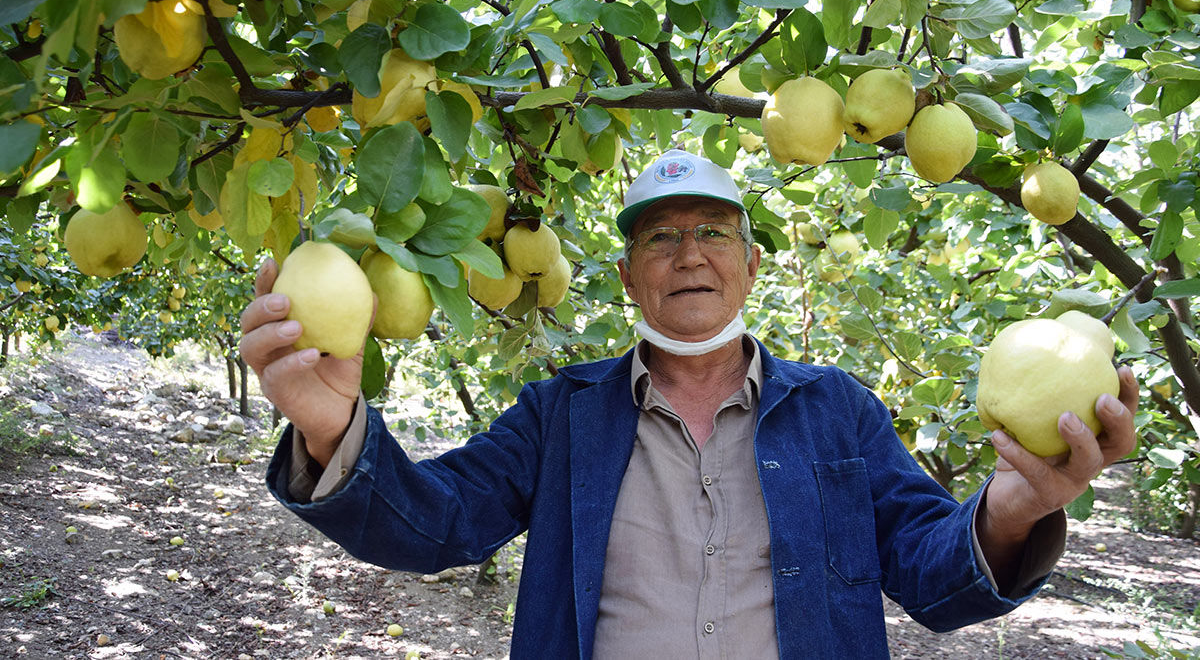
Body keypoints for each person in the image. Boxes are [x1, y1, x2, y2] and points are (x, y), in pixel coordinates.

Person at [240, 149, 1138, 658]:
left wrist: (1014, 510)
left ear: (751, 265)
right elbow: (436, 523)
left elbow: (932, 577)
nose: (690, 254)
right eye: (662, 237)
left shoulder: (836, 411)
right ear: (630, 276)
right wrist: (329, 425)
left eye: (714, 232)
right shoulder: (564, 413)